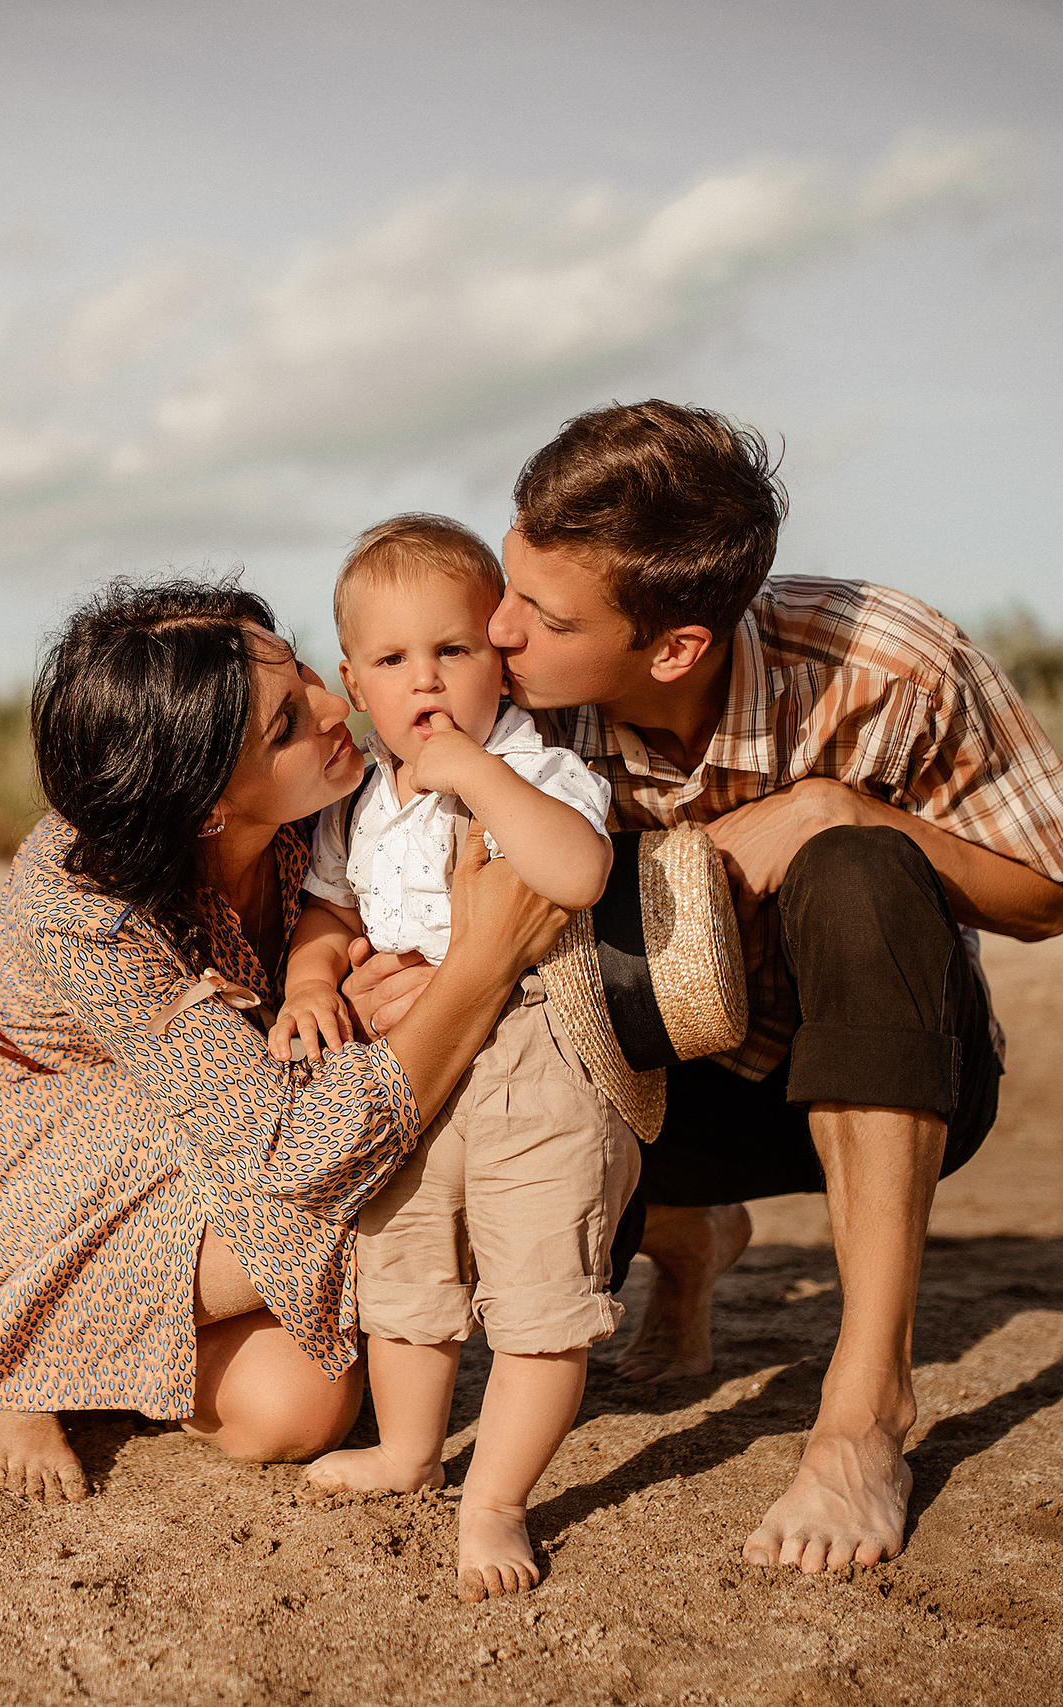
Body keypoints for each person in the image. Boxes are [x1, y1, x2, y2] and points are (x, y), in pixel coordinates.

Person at [353, 401, 1063, 1576]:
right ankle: (688, 1244)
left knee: (857, 865)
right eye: (509, 579)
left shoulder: (887, 663)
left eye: (540, 616)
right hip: (637, 1092)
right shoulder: (502, 689)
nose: (495, 629)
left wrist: (836, 809)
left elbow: (1044, 895)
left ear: (675, 648)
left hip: (889, 1070)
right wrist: (389, 969)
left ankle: (862, 1413)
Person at [0, 578, 569, 1508]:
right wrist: (483, 963)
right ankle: (7, 1356)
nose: (338, 708)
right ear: (205, 806)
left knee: (298, 1409)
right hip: (12, 1145)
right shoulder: (82, 910)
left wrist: (343, 1012)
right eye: (287, 724)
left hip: (218, 1110)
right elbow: (292, 1147)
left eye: (308, 672)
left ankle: (75, 1355)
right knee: (325, 1182)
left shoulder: (331, 797)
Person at [266, 515, 630, 1601]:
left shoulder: (536, 765)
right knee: (405, 1273)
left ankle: (498, 1499)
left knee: (537, 1292)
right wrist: (308, 979)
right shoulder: (365, 802)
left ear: (499, 657)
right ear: (353, 682)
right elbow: (327, 911)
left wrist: (472, 769)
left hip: (536, 1061)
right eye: (392, 660)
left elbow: (574, 874)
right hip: (411, 1070)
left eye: (453, 650)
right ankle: (410, 1449)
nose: (423, 680)